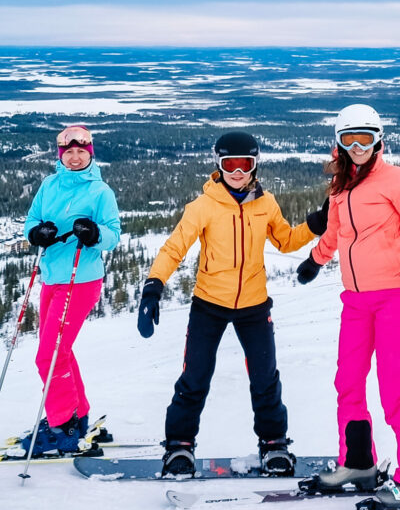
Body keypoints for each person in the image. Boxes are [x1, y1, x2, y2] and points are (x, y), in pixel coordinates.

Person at [136, 131, 328, 476]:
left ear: (255, 166)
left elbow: (285, 240)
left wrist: (315, 224)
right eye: (230, 164)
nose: (237, 171)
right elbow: (174, 248)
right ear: (219, 165)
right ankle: (179, 446)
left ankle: (274, 444)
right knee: (195, 377)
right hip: (209, 304)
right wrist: (154, 285)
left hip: (254, 305)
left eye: (245, 164)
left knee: (265, 378)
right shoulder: (203, 207)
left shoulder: (265, 204)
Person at [296, 104, 400, 508]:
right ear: (339, 143)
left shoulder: (396, 180)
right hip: (355, 302)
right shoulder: (340, 187)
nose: (357, 147)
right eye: (349, 140)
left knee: (394, 391)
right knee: (347, 383)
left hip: (395, 301)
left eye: (365, 138)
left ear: (378, 140)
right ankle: (358, 463)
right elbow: (335, 233)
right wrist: (315, 260)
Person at [20, 125, 121, 455]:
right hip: (52, 277)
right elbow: (31, 220)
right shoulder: (50, 185)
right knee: (59, 352)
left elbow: (113, 234)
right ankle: (77, 416)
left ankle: (62, 425)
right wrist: (37, 233)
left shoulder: (100, 191)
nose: (75, 157)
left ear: (90, 153)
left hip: (81, 279)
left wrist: (94, 233)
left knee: (47, 356)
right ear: (60, 155)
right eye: (68, 152)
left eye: (81, 152)